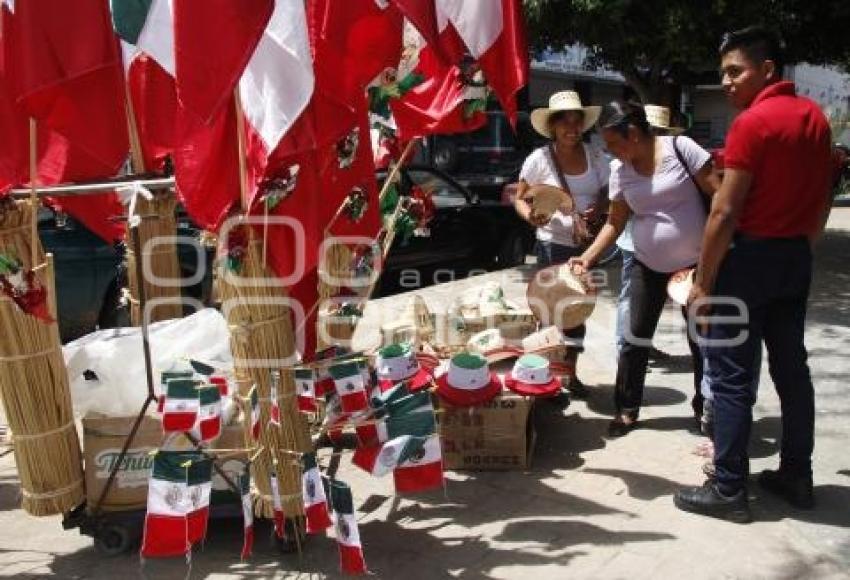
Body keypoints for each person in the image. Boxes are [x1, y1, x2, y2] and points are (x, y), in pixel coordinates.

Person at [674, 26, 832, 522]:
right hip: (794, 260)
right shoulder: (815, 118)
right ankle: (797, 476)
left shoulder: (752, 123)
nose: (725, 81)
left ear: (767, 70)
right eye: (722, 72)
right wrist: (805, 241)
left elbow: (724, 211)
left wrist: (702, 281)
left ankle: (727, 488)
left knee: (733, 375)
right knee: (791, 370)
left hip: (748, 264)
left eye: (734, 70)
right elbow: (823, 191)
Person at [568, 101, 719, 436]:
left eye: (613, 143)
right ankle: (626, 409)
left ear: (634, 134)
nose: (610, 151)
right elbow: (615, 222)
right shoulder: (621, 171)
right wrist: (588, 258)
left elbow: (720, 198)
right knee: (633, 337)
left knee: (701, 340)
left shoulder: (682, 149)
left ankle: (706, 410)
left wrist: (720, 258)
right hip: (646, 264)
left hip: (696, 267)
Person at [514, 90, 610, 397]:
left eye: (576, 121)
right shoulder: (539, 159)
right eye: (564, 122)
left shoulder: (595, 155)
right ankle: (546, 379)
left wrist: (600, 204)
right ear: (553, 126)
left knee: (578, 311)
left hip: (585, 247)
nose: (572, 127)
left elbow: (609, 190)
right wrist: (531, 216)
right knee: (551, 314)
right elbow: (520, 199)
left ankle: (570, 373)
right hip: (552, 245)